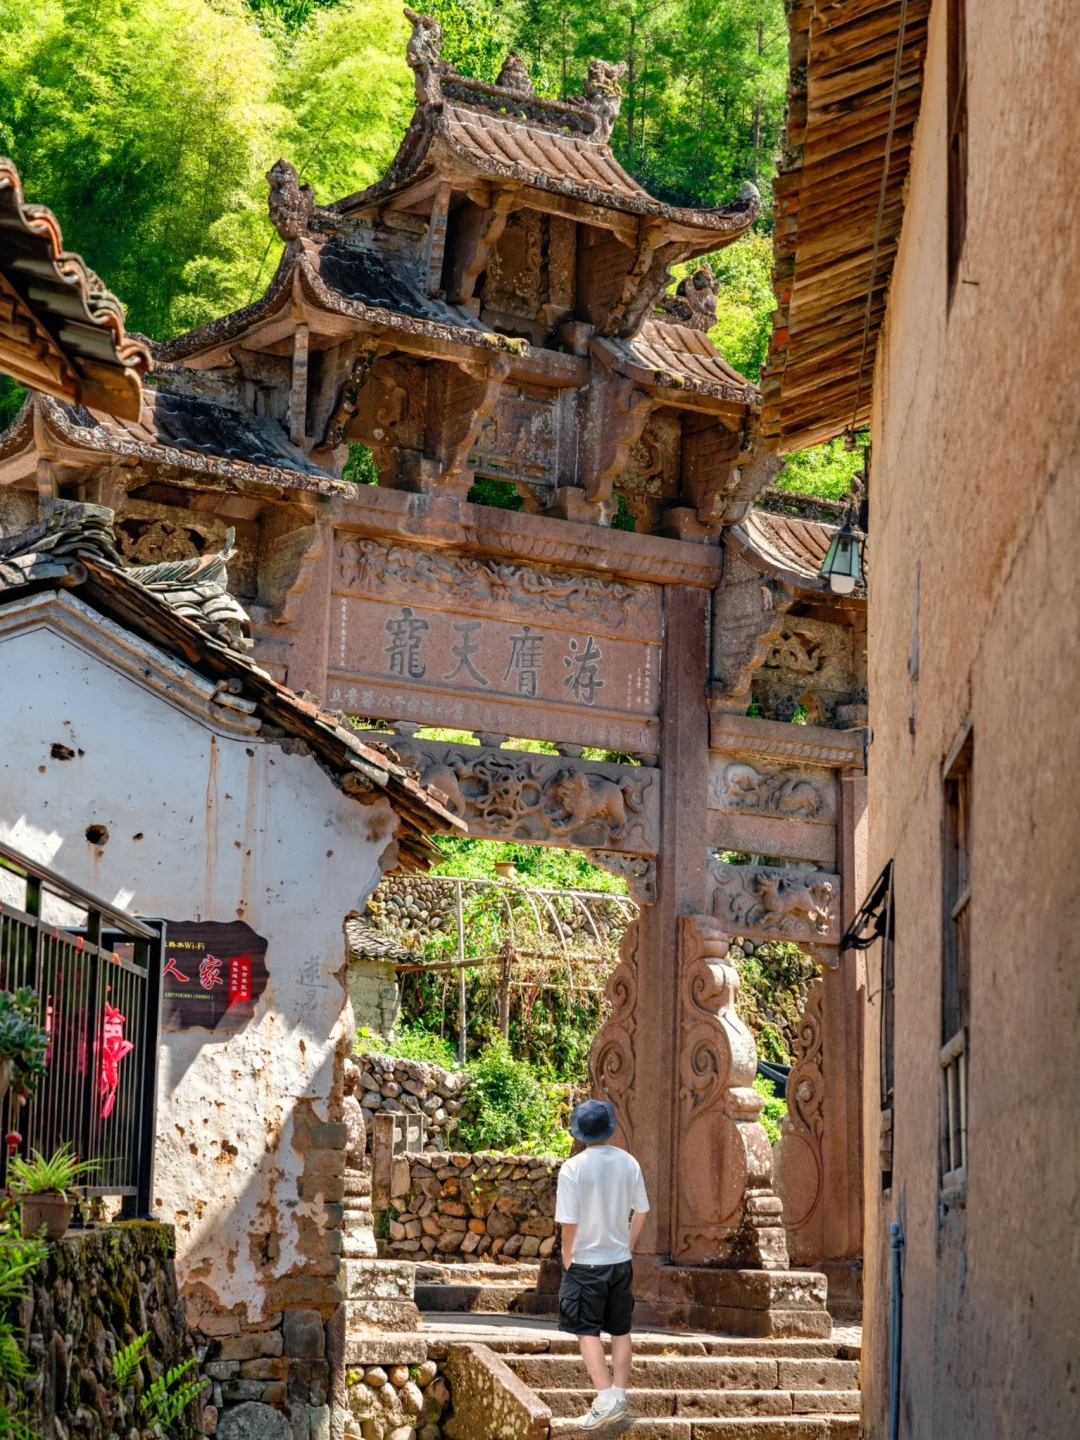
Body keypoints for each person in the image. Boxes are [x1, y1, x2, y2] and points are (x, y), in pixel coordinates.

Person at [554, 1099, 650, 1429]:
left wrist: (568, 1256)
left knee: (585, 1329)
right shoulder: (629, 1162)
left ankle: (605, 1396)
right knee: (620, 1329)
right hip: (619, 1261)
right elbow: (642, 1210)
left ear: (580, 1132)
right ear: (610, 1128)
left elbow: (569, 1222)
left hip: (587, 1262)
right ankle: (619, 1395)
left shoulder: (574, 1168)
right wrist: (629, 1242)